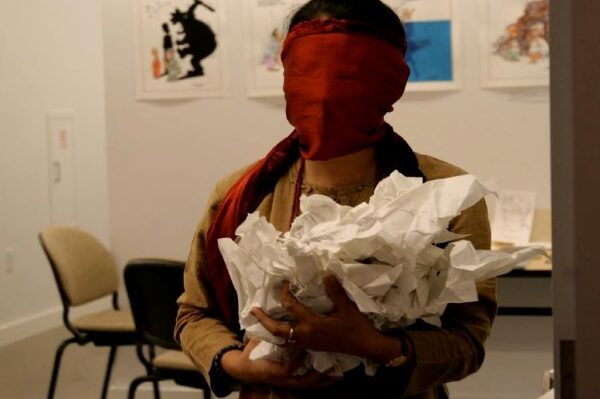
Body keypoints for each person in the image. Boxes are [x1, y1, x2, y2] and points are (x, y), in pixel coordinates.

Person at [175, 1, 497, 398]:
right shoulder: (238, 196)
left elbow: (467, 341)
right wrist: (241, 365)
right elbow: (194, 313)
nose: (326, 94)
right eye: (310, 72)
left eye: (349, 74)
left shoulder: (448, 196)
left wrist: (377, 348)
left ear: (391, 81)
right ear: (288, 76)